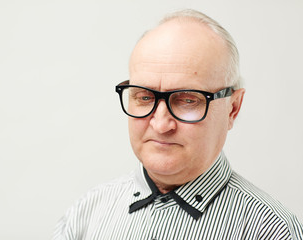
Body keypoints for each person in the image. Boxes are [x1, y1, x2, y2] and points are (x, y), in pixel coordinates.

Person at [53, 9, 303, 239]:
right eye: (144, 97)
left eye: (187, 100)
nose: (161, 125)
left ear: (233, 108)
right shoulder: (85, 216)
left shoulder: (274, 231)